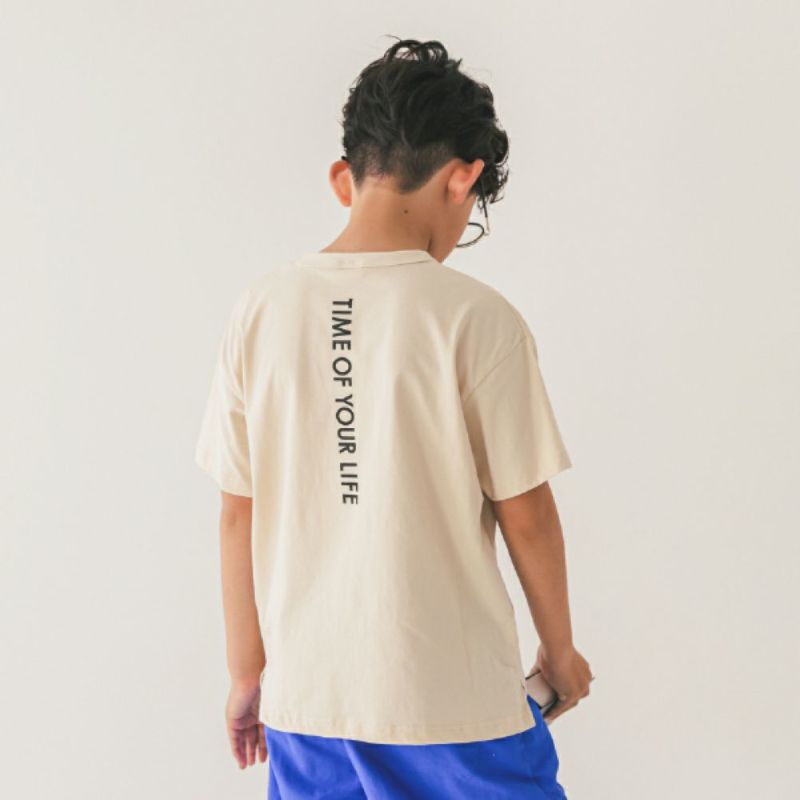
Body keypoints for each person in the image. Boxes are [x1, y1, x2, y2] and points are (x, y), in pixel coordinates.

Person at [194, 36, 593, 799]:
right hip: (456, 709)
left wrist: (247, 674)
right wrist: (562, 652)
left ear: (344, 179)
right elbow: (527, 512)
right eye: (471, 211)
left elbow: (237, 512)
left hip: (308, 706)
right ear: (462, 178)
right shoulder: (476, 318)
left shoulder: (261, 310)